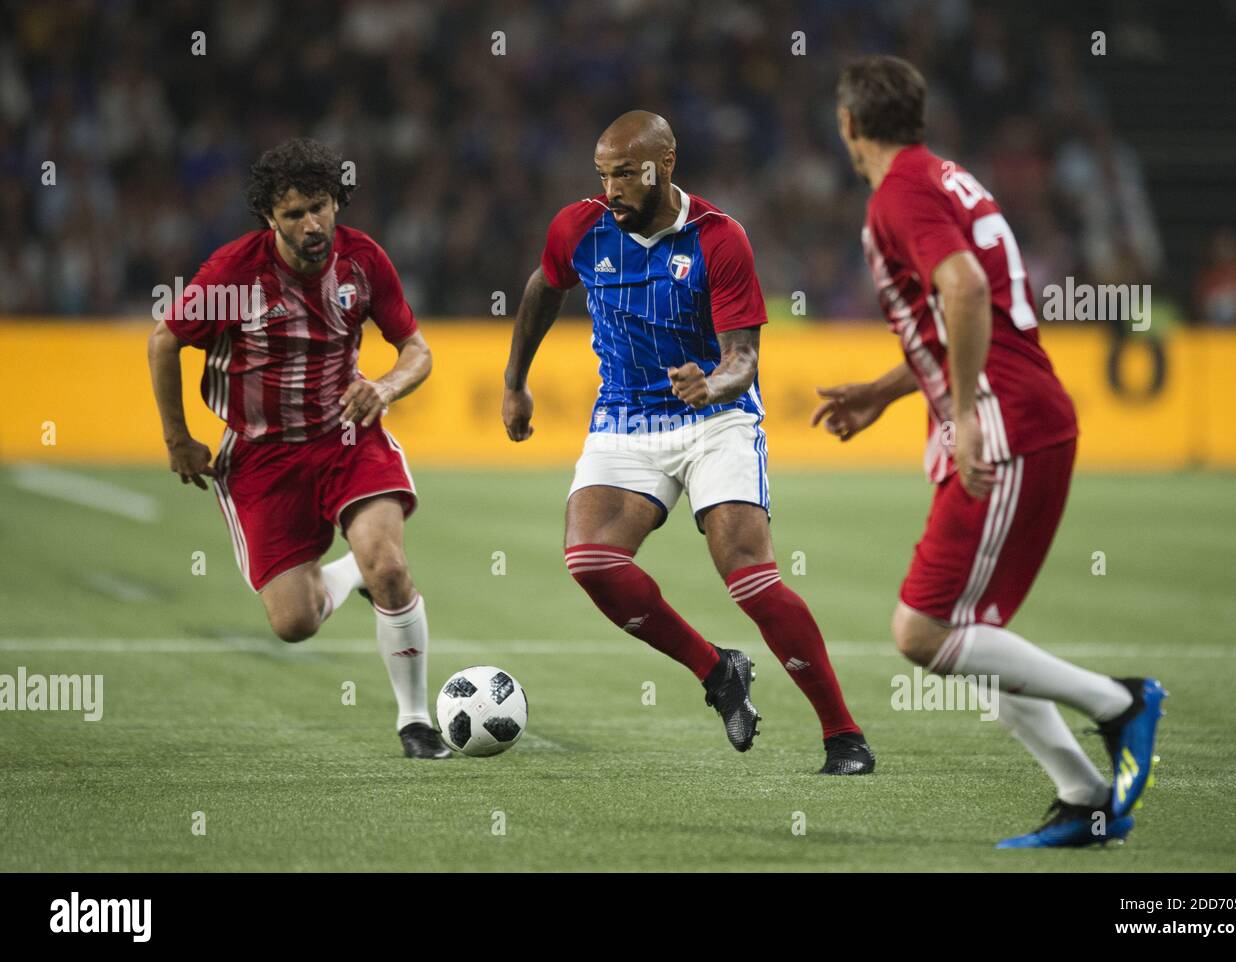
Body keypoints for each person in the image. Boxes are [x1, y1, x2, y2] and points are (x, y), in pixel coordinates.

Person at [816, 56, 1166, 844]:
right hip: (1019, 413)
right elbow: (962, 315)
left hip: (1006, 423)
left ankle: (1122, 703)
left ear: (847, 124)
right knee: (974, 634)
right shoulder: (942, 176)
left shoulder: (899, 192)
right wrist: (887, 389)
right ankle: (1084, 799)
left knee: (923, 631)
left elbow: (966, 290)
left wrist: (968, 411)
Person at [503, 111, 874, 774]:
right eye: (603, 174)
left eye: (625, 174)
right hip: (625, 419)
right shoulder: (578, 228)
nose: (610, 188)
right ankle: (717, 671)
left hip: (714, 421)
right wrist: (515, 382)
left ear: (665, 165)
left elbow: (744, 359)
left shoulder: (719, 238)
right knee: (591, 561)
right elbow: (542, 285)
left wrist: (716, 385)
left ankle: (843, 735)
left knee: (749, 577)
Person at [146, 138, 450, 760]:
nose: (311, 224)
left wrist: (385, 387)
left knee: (390, 566)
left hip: (347, 435)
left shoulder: (364, 261)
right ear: (269, 219)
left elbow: (416, 350)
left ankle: (416, 722)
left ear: (337, 201)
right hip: (262, 457)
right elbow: (163, 341)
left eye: (319, 206)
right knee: (294, 623)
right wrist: (178, 439)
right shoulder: (234, 274)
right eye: (293, 214)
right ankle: (347, 576)